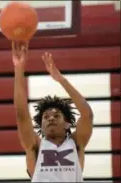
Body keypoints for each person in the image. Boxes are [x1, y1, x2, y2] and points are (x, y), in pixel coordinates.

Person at [12, 41, 93, 182]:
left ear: (67, 124)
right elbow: (21, 114)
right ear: (41, 126)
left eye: (57, 116)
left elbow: (87, 115)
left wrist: (61, 80)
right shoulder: (35, 146)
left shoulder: (76, 143)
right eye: (46, 117)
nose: (51, 118)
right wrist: (19, 68)